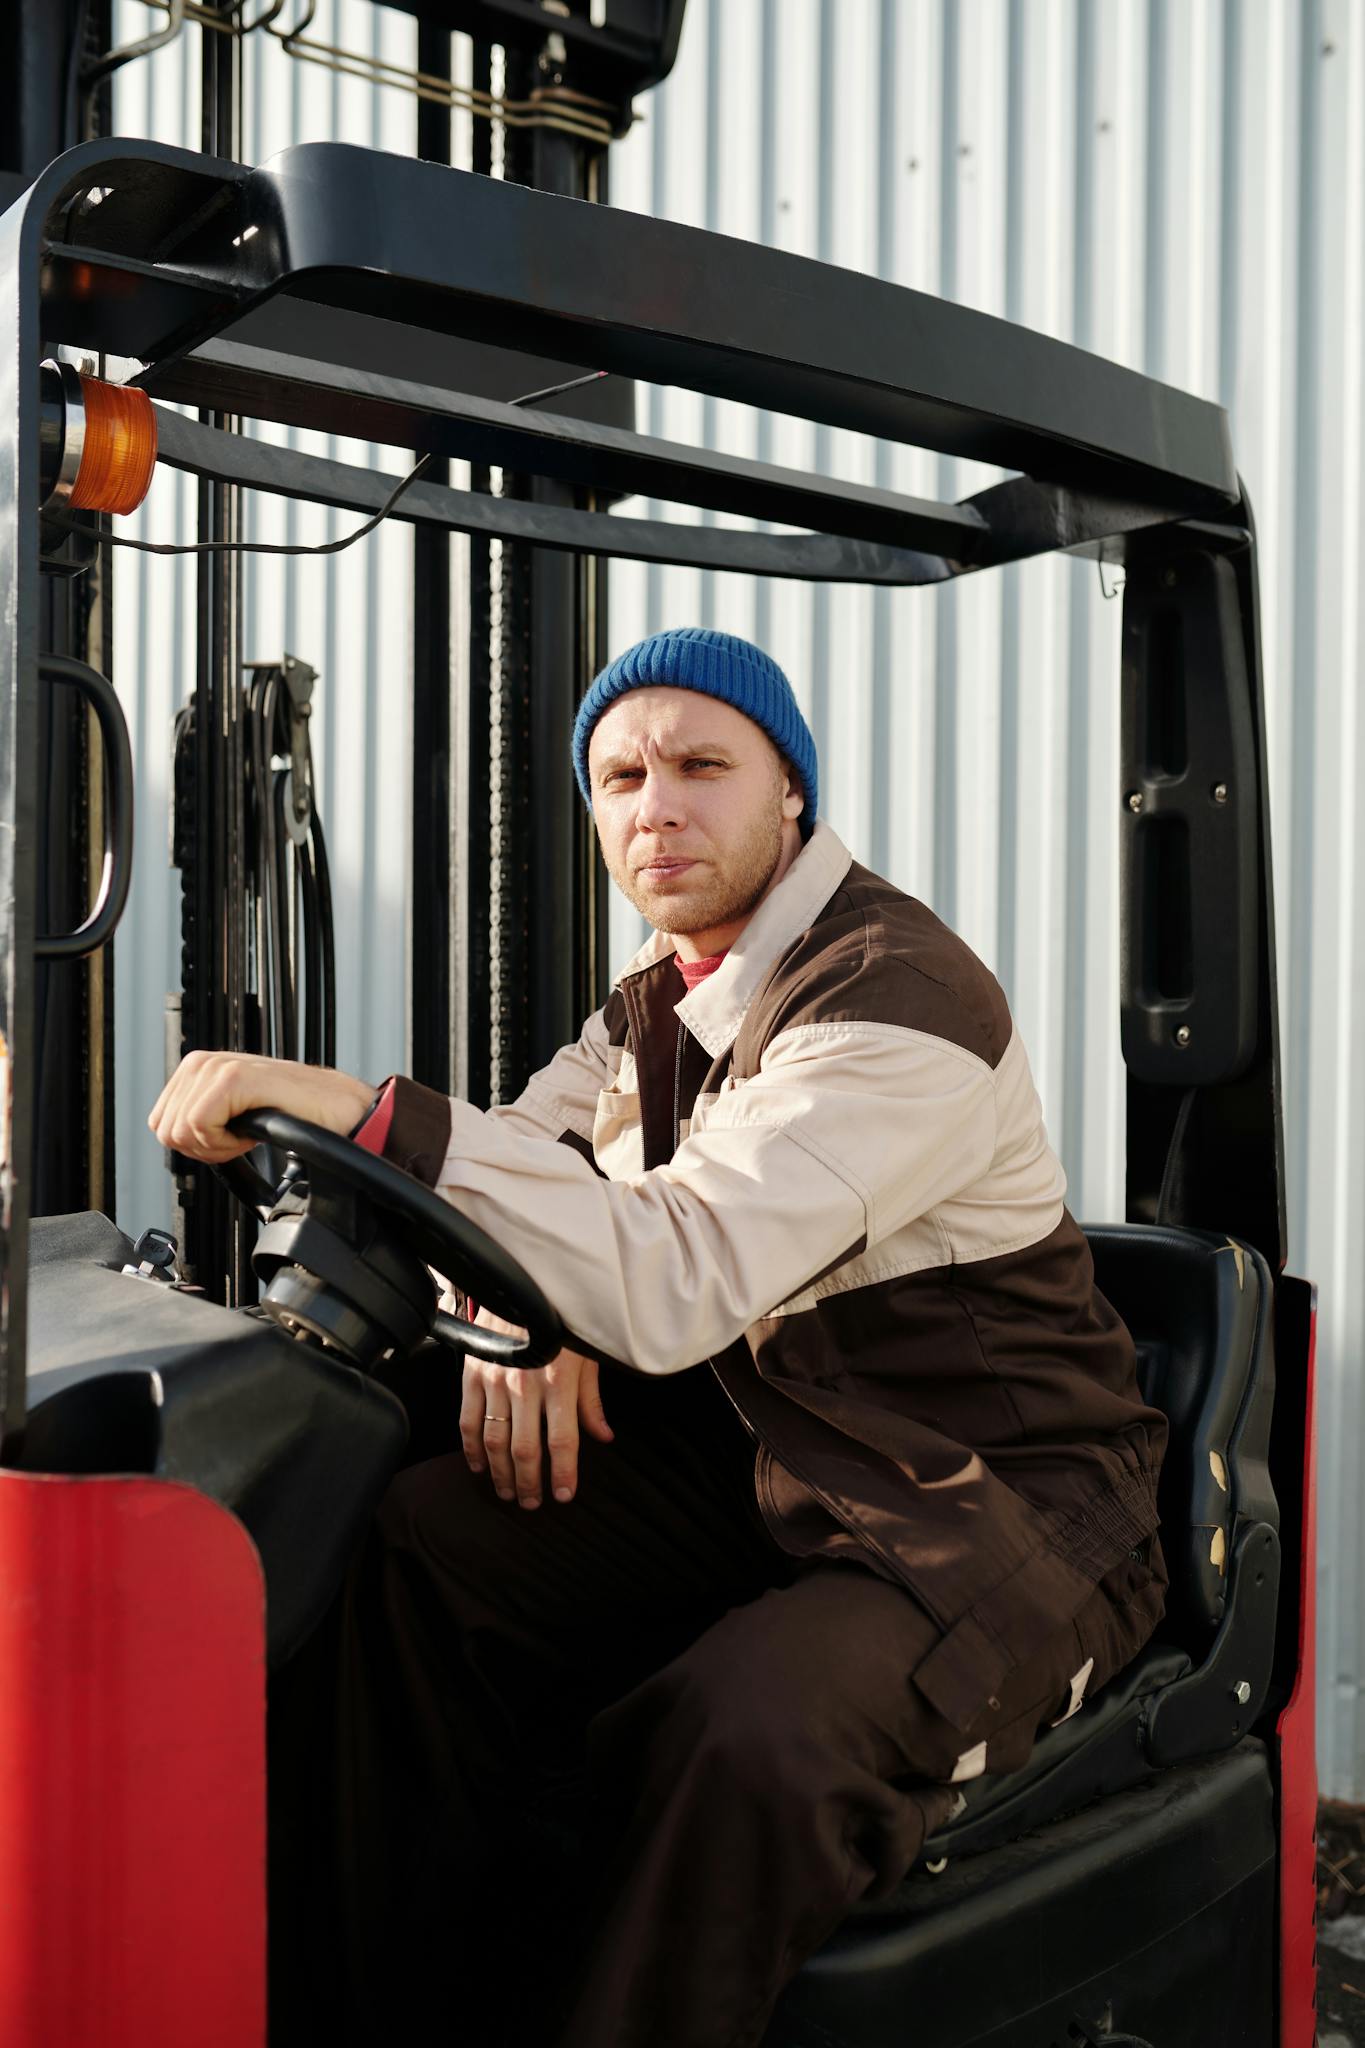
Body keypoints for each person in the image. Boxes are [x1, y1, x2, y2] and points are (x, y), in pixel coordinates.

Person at [151, 626, 1168, 2048]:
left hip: (992, 1502)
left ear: (788, 794)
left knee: (746, 1731)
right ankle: (378, 2001)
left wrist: (366, 1109)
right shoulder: (657, 1000)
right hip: (781, 1457)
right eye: (621, 777)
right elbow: (529, 1162)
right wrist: (526, 1304)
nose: (656, 808)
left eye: (702, 766)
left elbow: (670, 1265)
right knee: (417, 1547)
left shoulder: (893, 996)